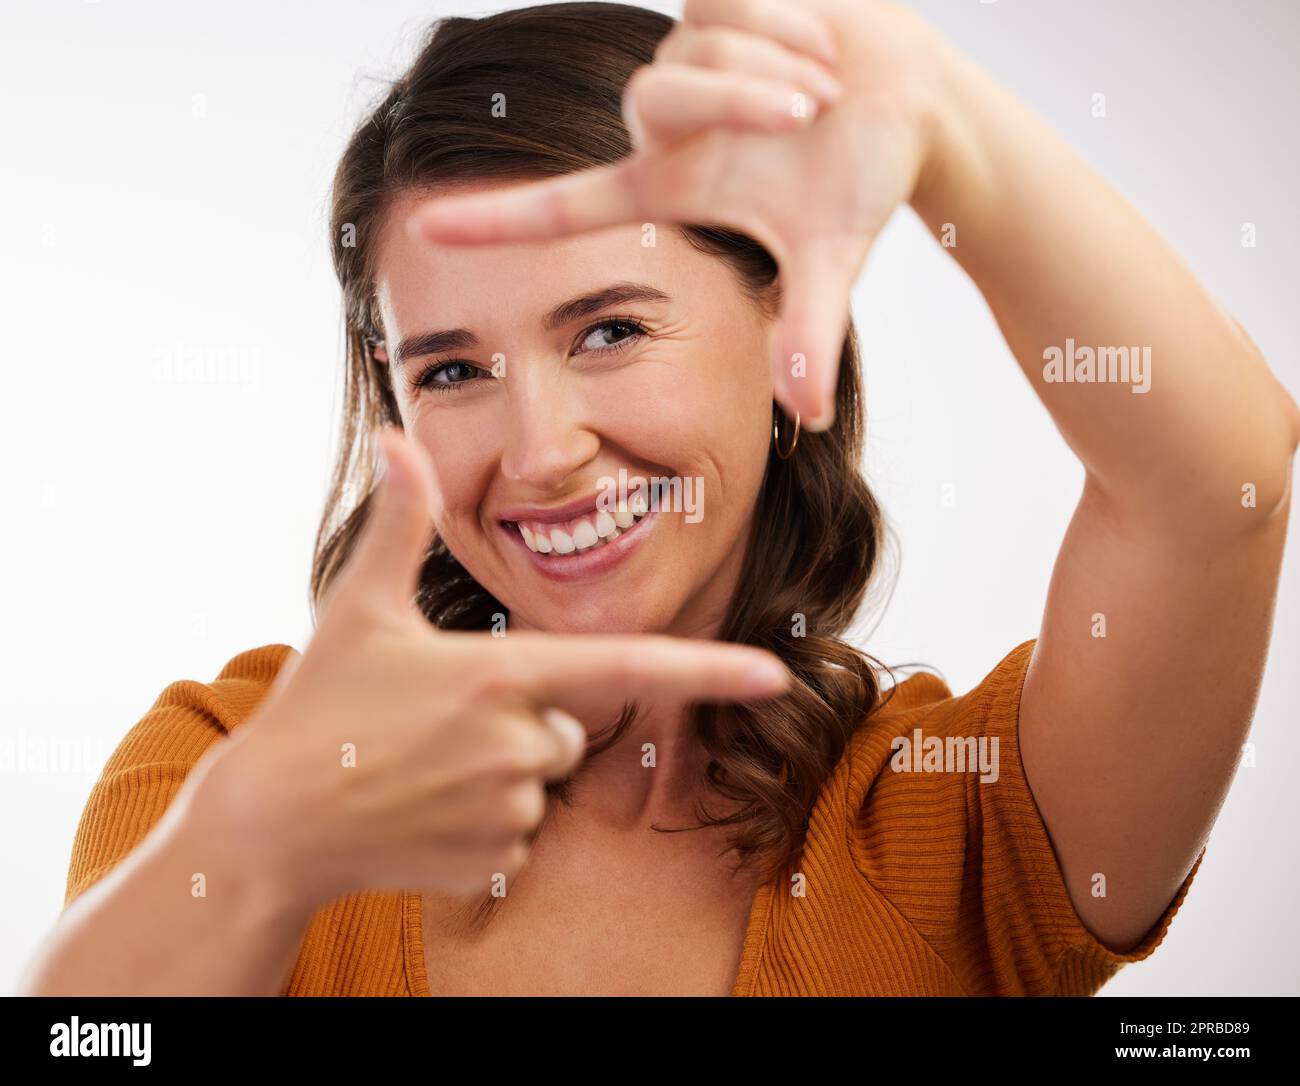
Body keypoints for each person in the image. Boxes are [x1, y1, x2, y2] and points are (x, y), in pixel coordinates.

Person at [21, 0, 1298, 997]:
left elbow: (1219, 487)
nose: (538, 453)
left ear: (787, 323)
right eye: (453, 369)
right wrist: (248, 851)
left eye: (610, 331)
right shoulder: (232, 762)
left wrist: (943, 123)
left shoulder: (955, 826)